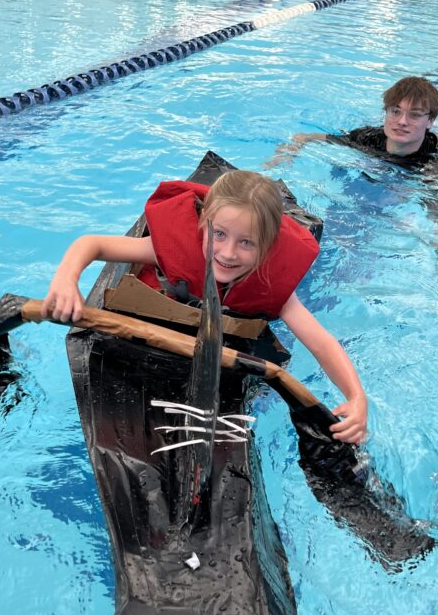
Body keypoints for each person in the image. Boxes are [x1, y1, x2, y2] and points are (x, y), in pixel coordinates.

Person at [42, 170, 368, 444]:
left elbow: (322, 343)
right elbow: (93, 244)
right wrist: (66, 281)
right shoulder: (166, 250)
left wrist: (356, 398)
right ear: (201, 225)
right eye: (219, 234)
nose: (227, 252)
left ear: (266, 248)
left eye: (246, 243)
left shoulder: (274, 288)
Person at [264, 77, 438, 231]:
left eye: (415, 114)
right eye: (395, 111)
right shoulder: (368, 138)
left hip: (423, 181)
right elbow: (303, 137)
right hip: (384, 174)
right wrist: (287, 153)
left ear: (430, 121)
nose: (402, 122)